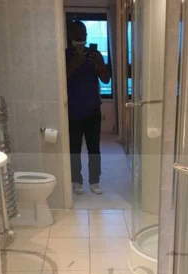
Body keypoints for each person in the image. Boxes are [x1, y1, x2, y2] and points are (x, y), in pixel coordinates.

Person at [65, 21, 111, 195]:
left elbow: (106, 79)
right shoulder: (65, 55)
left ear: (86, 35)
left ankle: (95, 181)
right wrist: (73, 65)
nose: (80, 36)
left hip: (92, 109)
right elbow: (59, 80)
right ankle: (76, 181)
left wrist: (99, 63)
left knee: (94, 148)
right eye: (76, 33)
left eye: (83, 33)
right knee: (74, 148)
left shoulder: (95, 55)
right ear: (70, 35)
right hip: (72, 111)